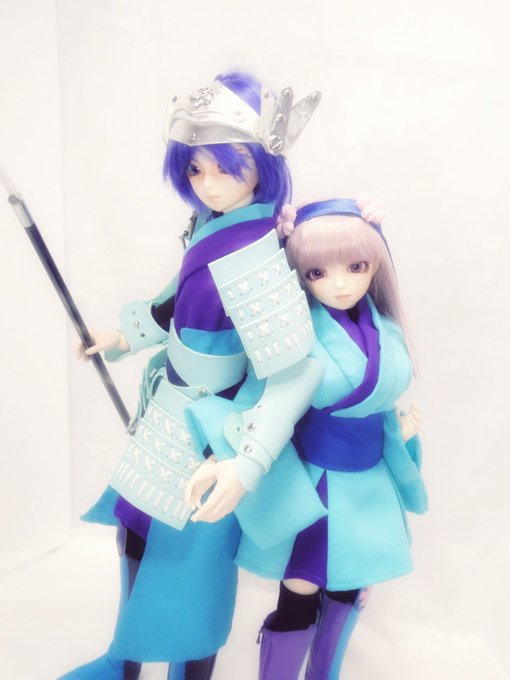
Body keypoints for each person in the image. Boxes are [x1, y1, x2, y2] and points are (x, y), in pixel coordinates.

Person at [59, 71, 325, 680]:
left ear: (262, 164)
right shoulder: (211, 225)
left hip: (212, 429)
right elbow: (177, 298)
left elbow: (294, 373)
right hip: (168, 410)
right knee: (135, 534)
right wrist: (126, 335)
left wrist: (246, 462)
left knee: (198, 560)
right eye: (196, 168)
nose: (207, 183)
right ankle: (124, 661)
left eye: (225, 167)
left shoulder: (257, 257)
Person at [233, 198, 428, 680]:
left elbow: (384, 398)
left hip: (369, 479)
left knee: (349, 584)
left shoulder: (386, 328)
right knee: (302, 585)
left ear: (376, 264)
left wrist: (398, 430)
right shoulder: (295, 333)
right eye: (318, 272)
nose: (340, 284)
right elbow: (262, 404)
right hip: (315, 479)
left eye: (355, 266)